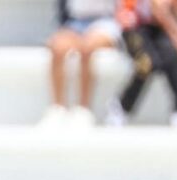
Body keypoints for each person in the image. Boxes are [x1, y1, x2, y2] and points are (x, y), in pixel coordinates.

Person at [106, 0, 177, 128]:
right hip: (133, 29)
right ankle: (122, 106)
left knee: (173, 58)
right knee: (146, 63)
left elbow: (172, 12)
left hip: (156, 29)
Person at [39, 0, 121, 128]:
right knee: (57, 48)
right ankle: (57, 108)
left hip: (106, 21)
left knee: (86, 49)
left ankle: (83, 109)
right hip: (75, 21)